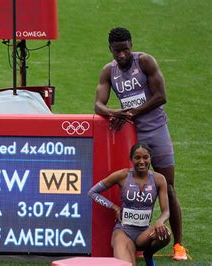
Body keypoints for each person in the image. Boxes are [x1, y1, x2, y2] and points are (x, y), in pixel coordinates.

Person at [94, 27, 187, 260]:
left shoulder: (145, 62)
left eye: (125, 49)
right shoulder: (109, 71)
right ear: (110, 50)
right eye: (117, 51)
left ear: (131, 45)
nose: (122, 55)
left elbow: (160, 96)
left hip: (156, 131)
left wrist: (133, 113)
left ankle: (179, 246)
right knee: (134, 186)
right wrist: (113, 111)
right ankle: (135, 234)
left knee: (170, 187)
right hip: (133, 137)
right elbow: (98, 105)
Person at [89, 143, 170, 266]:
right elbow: (93, 192)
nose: (141, 161)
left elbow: (166, 211)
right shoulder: (122, 175)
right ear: (131, 159)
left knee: (165, 235)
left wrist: (160, 221)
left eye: (145, 157)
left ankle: (148, 255)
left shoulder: (159, 179)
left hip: (144, 233)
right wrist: (114, 207)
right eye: (137, 158)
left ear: (150, 158)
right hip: (123, 231)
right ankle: (128, 249)